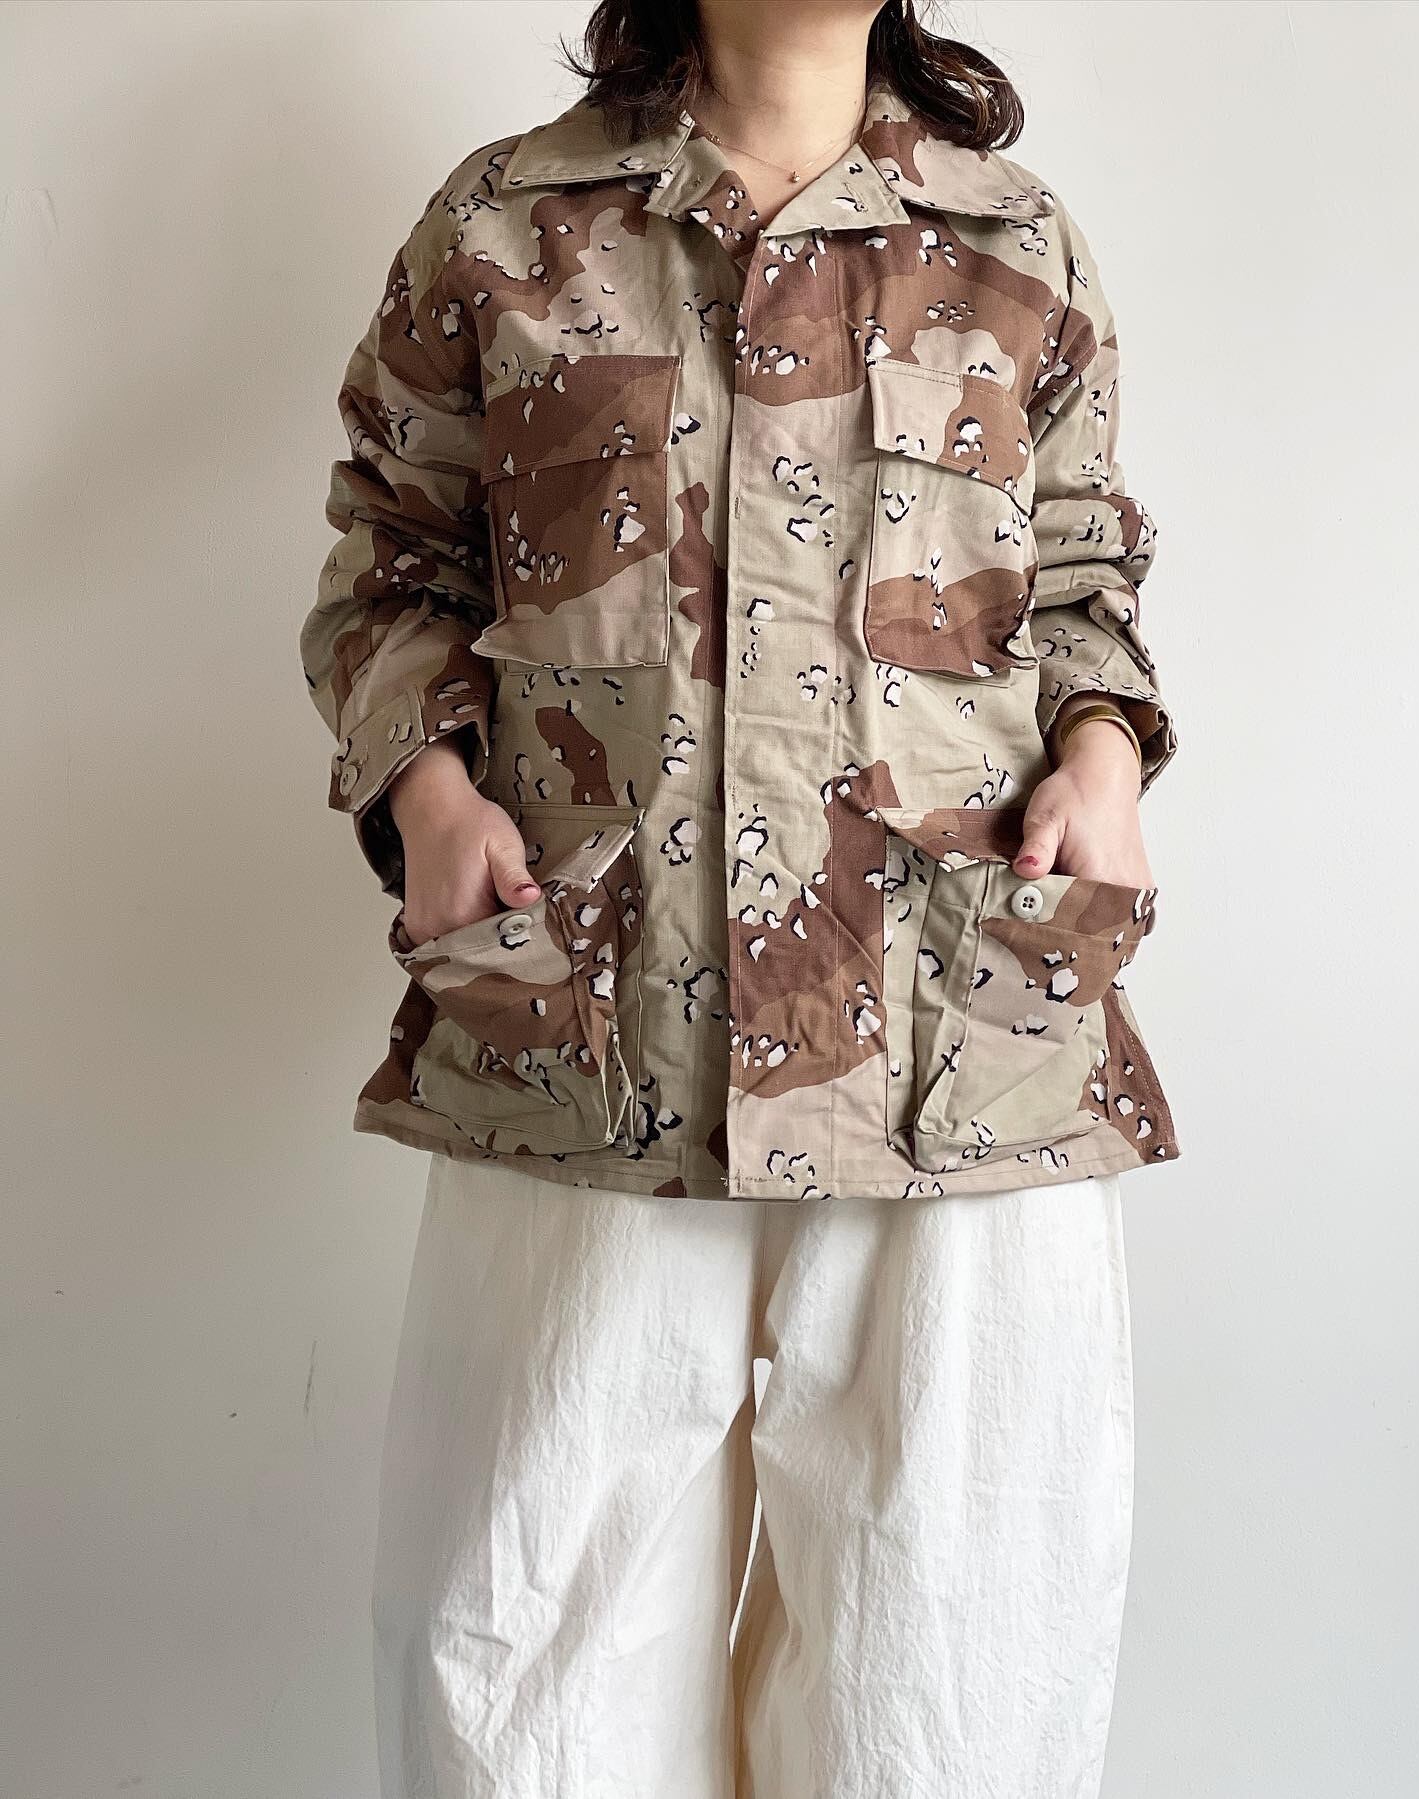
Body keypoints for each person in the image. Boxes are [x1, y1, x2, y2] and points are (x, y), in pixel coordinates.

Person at [298, 1, 1181, 1793]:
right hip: (589, 1036)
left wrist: (1102, 760)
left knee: (953, 1688)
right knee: (526, 1677)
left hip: (959, 1046)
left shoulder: (1017, 245)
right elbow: (392, 561)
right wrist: (431, 790)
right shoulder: (504, 228)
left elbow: (1085, 585)